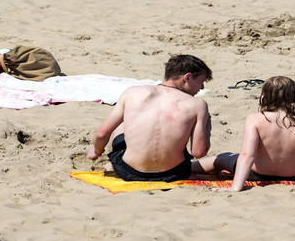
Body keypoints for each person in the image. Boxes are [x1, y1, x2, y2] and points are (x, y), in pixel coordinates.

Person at [192, 76, 295, 191]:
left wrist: (236, 186)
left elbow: (247, 155)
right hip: (292, 174)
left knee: (222, 159)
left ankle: (189, 168)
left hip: (257, 174)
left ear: (264, 96)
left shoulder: (255, 119)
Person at [89, 55, 213, 183]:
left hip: (128, 172)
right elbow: (199, 152)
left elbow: (102, 133)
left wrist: (96, 151)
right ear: (187, 77)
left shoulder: (133, 92)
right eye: (201, 81)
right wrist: (207, 127)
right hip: (175, 173)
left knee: (120, 127)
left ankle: (116, 163)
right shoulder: (198, 104)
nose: (202, 87)